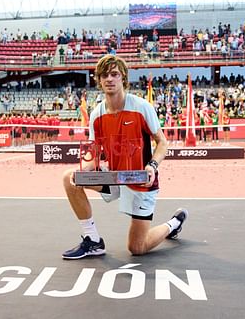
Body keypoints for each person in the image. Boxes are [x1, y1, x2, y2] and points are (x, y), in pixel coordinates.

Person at [62, 55, 188, 260]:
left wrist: (152, 166)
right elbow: (93, 153)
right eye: (104, 75)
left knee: (137, 247)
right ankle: (92, 240)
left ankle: (173, 224)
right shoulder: (97, 114)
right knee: (70, 177)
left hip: (140, 179)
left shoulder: (141, 107)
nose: (109, 79)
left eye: (114, 74)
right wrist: (85, 169)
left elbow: (162, 142)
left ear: (123, 78)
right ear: (99, 80)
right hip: (114, 177)